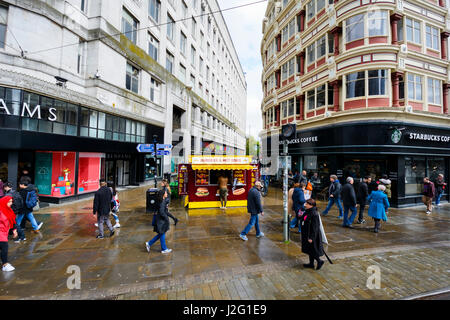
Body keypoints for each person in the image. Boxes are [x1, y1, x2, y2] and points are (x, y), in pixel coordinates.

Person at [301, 199, 325, 270]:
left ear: (311, 205)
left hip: (312, 236)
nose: (305, 205)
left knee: (313, 250)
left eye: (307, 204)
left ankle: (319, 261)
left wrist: (311, 237)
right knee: (309, 250)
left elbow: (315, 227)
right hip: (306, 234)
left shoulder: (314, 214)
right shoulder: (307, 211)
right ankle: (311, 264)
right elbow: (304, 219)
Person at [145, 189, 172, 254]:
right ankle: (164, 249)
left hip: (159, 220)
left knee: (161, 234)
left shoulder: (161, 201)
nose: (166, 194)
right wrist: (166, 219)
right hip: (161, 221)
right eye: (165, 193)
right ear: (163, 195)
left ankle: (149, 243)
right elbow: (162, 212)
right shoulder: (162, 202)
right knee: (162, 233)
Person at [0, 196, 18, 272]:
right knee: (4, 247)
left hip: (5, 232)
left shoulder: (8, 210)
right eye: (9, 202)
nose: (11, 203)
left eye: (11, 201)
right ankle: (5, 264)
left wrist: (14, 230)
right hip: (1, 232)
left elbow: (12, 220)